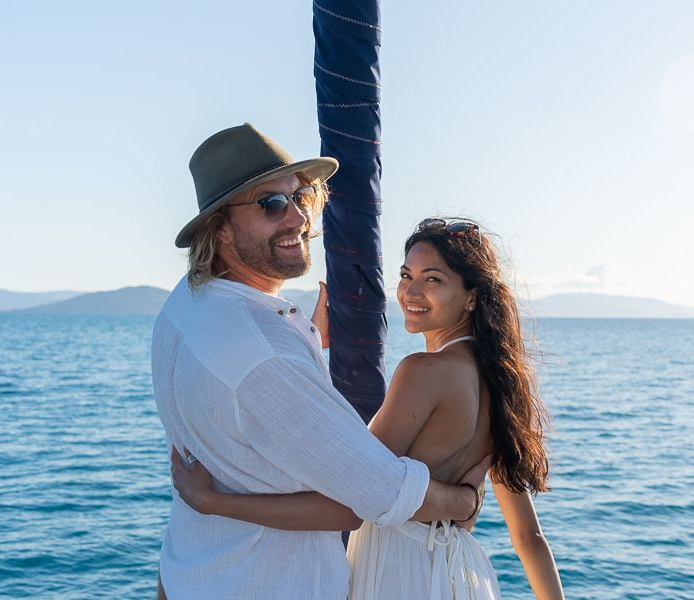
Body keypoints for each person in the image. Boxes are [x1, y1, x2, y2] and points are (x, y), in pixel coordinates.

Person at [153, 124, 487, 600]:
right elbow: (371, 496)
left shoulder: (184, 305)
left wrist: (304, 339)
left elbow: (248, 415)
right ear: (220, 228)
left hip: (189, 575)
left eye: (300, 196)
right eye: (271, 204)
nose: (298, 218)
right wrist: (463, 503)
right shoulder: (266, 357)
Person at [171, 217, 566, 599]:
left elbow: (348, 498)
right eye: (406, 275)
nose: (411, 292)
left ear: (472, 297)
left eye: (433, 279)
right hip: (463, 575)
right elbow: (529, 537)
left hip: (401, 572)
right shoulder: (501, 381)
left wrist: (215, 502)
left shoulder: (422, 372)